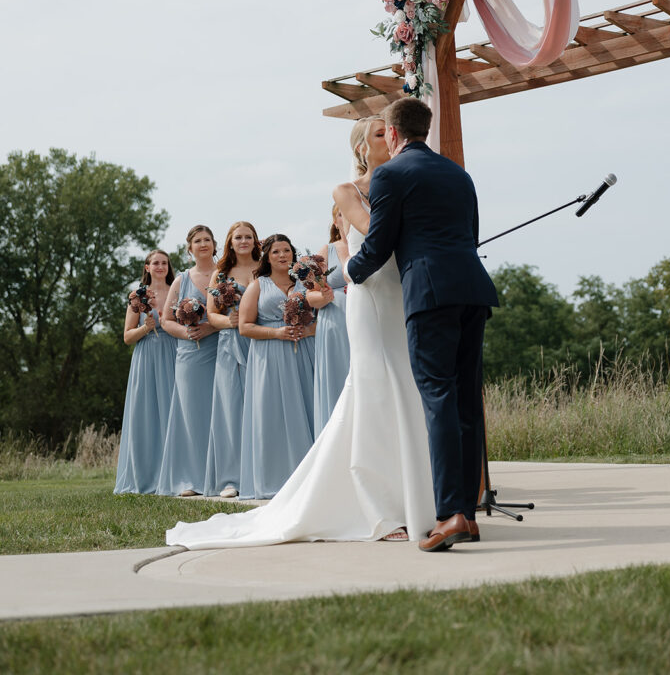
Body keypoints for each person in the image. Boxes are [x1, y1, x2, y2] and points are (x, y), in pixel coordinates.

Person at [165, 117, 435, 549]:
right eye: (381, 134)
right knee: (373, 387)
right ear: (363, 148)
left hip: (403, 293)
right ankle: (376, 503)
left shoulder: (408, 181)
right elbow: (376, 235)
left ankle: (418, 493)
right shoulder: (349, 192)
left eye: (392, 131)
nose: (392, 138)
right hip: (368, 296)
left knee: (408, 387)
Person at [347, 97, 498, 552]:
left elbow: (378, 245)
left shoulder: (392, 174)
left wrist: (347, 277)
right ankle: (467, 516)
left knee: (438, 399)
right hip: (473, 289)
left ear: (392, 133)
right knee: (467, 404)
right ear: (426, 130)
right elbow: (470, 235)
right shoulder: (459, 174)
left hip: (430, 296)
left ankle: (449, 513)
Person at [237, 233, 316, 500]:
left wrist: (309, 331)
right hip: (269, 356)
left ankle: (308, 478)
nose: (282, 256)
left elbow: (322, 318)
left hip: (303, 353)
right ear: (267, 257)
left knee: (305, 409)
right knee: (271, 414)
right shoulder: (258, 285)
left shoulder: (306, 283)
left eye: (286, 251)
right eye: (276, 252)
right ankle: (273, 478)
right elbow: (244, 326)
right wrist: (276, 333)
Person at [156, 225, 219, 497]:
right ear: (189, 248)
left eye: (207, 240)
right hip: (190, 353)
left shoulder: (224, 274)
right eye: (197, 241)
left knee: (223, 411)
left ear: (214, 245)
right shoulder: (181, 280)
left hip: (222, 347)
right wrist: (187, 332)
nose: (202, 244)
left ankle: (224, 475)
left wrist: (211, 328)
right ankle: (191, 479)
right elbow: (166, 320)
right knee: (192, 413)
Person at [203, 221, 260, 499]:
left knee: (261, 406)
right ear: (230, 242)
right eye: (238, 237)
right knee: (230, 409)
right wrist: (229, 321)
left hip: (262, 343)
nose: (244, 241)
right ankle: (231, 478)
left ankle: (262, 470)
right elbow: (211, 315)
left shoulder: (265, 268)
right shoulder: (220, 274)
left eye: (248, 236)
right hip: (229, 345)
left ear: (255, 240)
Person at [114, 250, 177, 494]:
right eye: (155, 263)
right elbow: (127, 337)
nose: (160, 266)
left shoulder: (177, 290)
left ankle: (174, 472)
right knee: (147, 412)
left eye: (164, 262)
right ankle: (146, 476)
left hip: (174, 353)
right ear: (147, 267)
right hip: (147, 356)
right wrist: (146, 328)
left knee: (173, 411)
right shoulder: (138, 295)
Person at [307, 206, 350, 438]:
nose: (348, 218)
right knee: (338, 380)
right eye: (342, 214)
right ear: (335, 221)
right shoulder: (327, 250)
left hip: (367, 321)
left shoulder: (371, 247)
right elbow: (310, 295)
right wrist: (322, 297)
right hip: (334, 323)